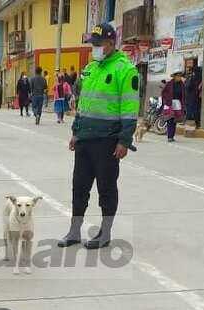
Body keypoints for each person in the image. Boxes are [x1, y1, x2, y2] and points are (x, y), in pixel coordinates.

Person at [58, 22, 139, 250]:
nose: (94, 48)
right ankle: (74, 231)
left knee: (106, 187)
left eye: (98, 44)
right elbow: (84, 104)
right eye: (92, 44)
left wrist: (124, 140)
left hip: (108, 140)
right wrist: (76, 132)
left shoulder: (125, 69)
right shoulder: (92, 68)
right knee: (79, 187)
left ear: (111, 44)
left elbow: (130, 110)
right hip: (85, 138)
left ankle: (105, 232)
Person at [162, 69, 186, 143]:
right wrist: (166, 100)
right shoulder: (169, 84)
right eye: (177, 76)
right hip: (169, 103)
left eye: (180, 76)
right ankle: (169, 136)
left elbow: (184, 95)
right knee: (169, 119)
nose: (179, 77)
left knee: (175, 120)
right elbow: (163, 92)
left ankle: (172, 135)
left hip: (177, 103)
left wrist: (183, 104)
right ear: (174, 76)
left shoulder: (182, 85)